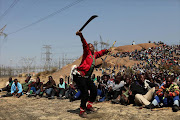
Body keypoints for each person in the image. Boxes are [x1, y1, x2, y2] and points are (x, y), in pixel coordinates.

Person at [73, 31, 111, 118]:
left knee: (94, 90)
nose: (90, 48)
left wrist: (106, 50)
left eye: (91, 46)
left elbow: (101, 52)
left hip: (87, 77)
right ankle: (82, 111)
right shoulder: (87, 53)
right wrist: (81, 36)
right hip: (80, 76)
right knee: (85, 93)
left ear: (94, 47)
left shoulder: (94, 55)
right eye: (89, 47)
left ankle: (89, 106)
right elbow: (84, 44)